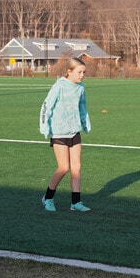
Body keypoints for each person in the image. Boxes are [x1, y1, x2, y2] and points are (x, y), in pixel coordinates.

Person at [39, 57, 92, 212]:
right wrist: (44, 126)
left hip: (74, 131)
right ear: (69, 71)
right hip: (59, 132)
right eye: (79, 72)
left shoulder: (81, 88)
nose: (82, 75)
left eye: (84, 72)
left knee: (77, 167)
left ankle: (76, 202)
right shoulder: (59, 86)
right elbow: (46, 106)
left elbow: (83, 107)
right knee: (63, 167)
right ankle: (47, 198)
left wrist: (85, 123)